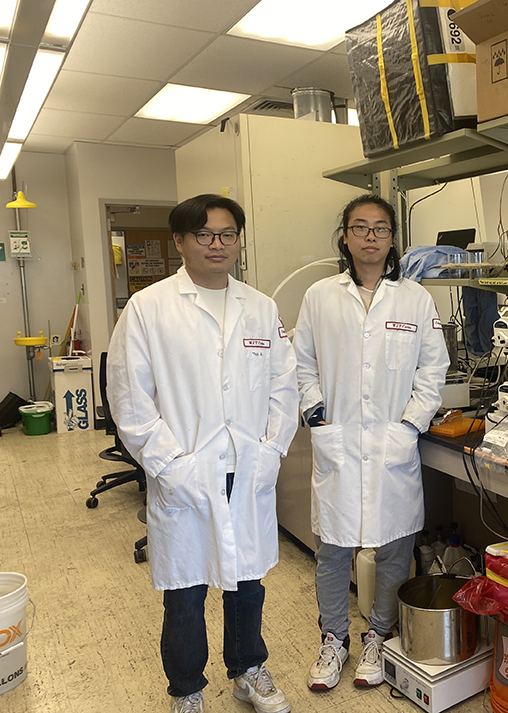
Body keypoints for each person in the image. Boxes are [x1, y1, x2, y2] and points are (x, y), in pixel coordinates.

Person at [108, 194, 298, 713]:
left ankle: (247, 668)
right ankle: (187, 690)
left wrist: (272, 450)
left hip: (246, 466)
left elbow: (285, 386)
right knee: (187, 591)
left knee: (247, 581)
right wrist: (170, 464)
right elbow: (129, 398)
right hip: (185, 469)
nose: (218, 244)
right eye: (205, 235)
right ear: (180, 242)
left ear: (239, 239)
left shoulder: (260, 307)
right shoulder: (149, 308)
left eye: (228, 234)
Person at [294, 194, 449, 691]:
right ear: (345, 236)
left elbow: (433, 367)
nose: (370, 237)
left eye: (380, 228)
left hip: (392, 444)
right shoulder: (320, 296)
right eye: (360, 228)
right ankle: (333, 639)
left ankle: (378, 636)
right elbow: (300, 363)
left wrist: (410, 424)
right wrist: (316, 412)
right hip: (338, 438)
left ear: (391, 238)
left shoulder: (415, 299)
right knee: (334, 551)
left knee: (392, 550)